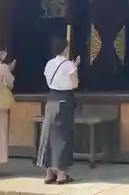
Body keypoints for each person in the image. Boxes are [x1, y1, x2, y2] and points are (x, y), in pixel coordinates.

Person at [36, 37, 80, 185]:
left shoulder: (49, 64)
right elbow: (74, 84)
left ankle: (48, 173)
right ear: (65, 49)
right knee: (63, 136)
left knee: (48, 135)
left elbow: (49, 81)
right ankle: (61, 174)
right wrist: (75, 68)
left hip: (51, 99)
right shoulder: (69, 65)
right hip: (64, 100)